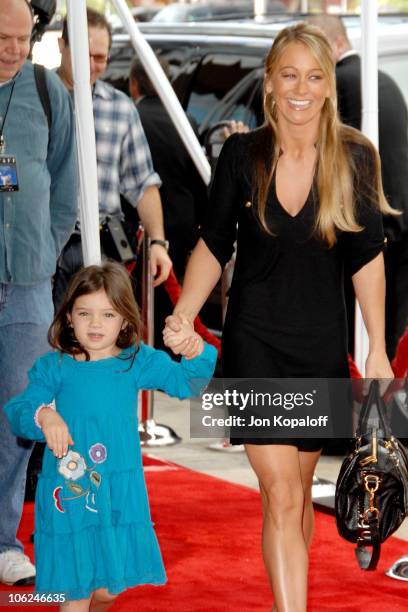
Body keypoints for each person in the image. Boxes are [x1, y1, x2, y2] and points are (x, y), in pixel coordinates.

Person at [163, 23, 395, 611]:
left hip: (318, 344)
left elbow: (368, 260)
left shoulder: (355, 158)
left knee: (290, 499)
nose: (301, 88)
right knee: (283, 492)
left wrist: (377, 348)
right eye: (289, 74)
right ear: (269, 83)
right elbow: (213, 243)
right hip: (255, 342)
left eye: (314, 76)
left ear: (328, 86)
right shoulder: (242, 154)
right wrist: (185, 313)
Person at [4, 262, 216, 610]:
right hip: (68, 493)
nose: (96, 324)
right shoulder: (53, 367)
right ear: (69, 317)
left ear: (125, 321)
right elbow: (19, 410)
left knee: (108, 590)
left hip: (119, 491)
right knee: (76, 591)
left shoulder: (136, 361)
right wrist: (45, 414)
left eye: (107, 314)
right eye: (85, 313)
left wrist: (195, 352)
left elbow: (186, 383)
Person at [0, 0, 77, 586]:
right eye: (3, 37)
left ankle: (4, 539)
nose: (14, 49)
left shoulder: (49, 93)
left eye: (23, 38)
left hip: (27, 285)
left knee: (21, 417)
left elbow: (65, 185)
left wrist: (45, 255)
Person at [309, 14, 408, 360]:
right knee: (389, 345)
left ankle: (357, 411)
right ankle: (381, 410)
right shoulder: (384, 81)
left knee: (354, 344)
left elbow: (327, 159)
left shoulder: (339, 86)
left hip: (371, 232)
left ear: (338, 44)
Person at [53, 8, 172, 310]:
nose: (91, 65)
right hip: (46, 253)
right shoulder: (37, 98)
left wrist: (157, 242)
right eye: (83, 53)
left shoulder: (120, 108)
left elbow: (143, 183)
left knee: (106, 347)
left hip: (104, 249)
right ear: (61, 46)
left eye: (100, 58)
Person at [129, 56, 208, 350]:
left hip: (142, 229)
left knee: (142, 303)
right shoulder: (185, 121)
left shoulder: (132, 117)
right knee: (176, 303)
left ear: (134, 83)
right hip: (181, 226)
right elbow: (198, 179)